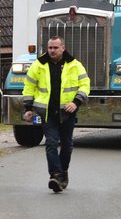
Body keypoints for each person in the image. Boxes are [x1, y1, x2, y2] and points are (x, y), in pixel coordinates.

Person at [22, 35, 90, 193]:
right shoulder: (38, 65)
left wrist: (76, 102)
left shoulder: (74, 65)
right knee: (51, 143)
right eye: (50, 48)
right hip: (47, 113)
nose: (52, 51)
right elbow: (29, 87)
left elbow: (85, 84)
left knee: (67, 145)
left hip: (67, 112)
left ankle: (62, 173)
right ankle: (55, 175)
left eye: (55, 48)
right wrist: (28, 108)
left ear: (63, 48)